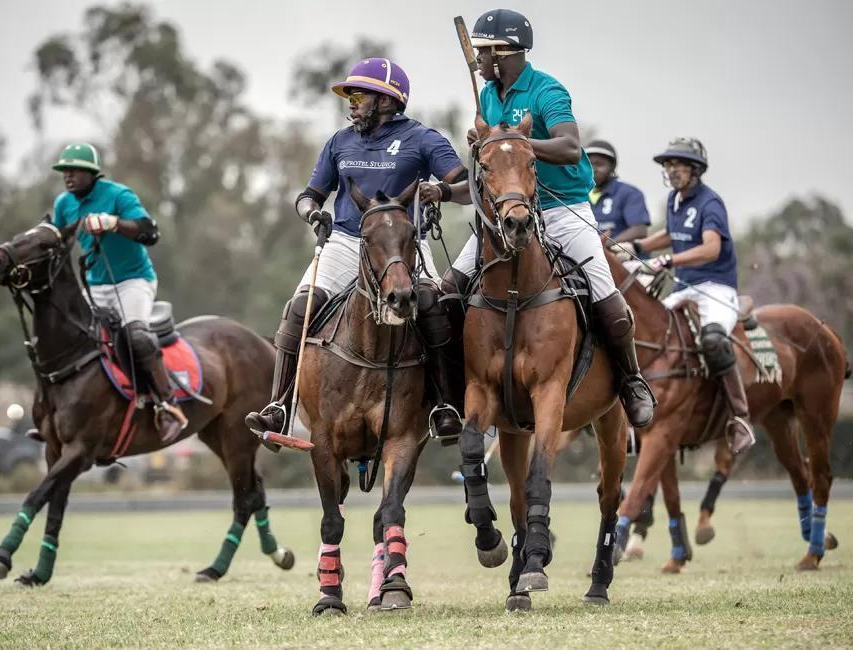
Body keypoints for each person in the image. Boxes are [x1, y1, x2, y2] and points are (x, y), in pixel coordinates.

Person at [244, 58, 471, 443]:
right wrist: (312, 213)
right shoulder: (340, 142)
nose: (351, 102)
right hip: (348, 241)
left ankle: (444, 405)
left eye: (359, 94)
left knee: (433, 304)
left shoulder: (423, 139)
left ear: (387, 100)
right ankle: (280, 406)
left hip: (402, 245)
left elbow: (469, 188)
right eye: (350, 95)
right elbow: (309, 195)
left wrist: (441, 190)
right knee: (299, 307)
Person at [448, 8, 655, 428]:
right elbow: (493, 161)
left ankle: (631, 381)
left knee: (609, 302)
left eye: (484, 53)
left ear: (503, 53)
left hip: (564, 210)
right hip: (505, 215)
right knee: (447, 292)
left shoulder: (547, 90)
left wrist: (515, 141)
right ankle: (452, 389)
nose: (479, 61)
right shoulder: (488, 96)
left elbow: (570, 147)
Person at [618, 137, 754, 454]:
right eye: (668, 165)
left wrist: (669, 260)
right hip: (684, 287)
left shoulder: (710, 203)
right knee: (639, 330)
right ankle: (637, 416)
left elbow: (711, 248)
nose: (671, 170)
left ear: (695, 169)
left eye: (678, 164)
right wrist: (636, 247)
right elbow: (671, 234)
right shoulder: (674, 199)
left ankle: (741, 418)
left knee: (713, 340)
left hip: (715, 287)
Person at [51, 143, 187, 443]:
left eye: (75, 170)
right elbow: (55, 242)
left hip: (133, 281)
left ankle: (168, 406)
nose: (68, 176)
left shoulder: (119, 195)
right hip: (94, 286)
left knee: (136, 336)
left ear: (92, 173)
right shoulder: (63, 204)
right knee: (68, 338)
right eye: (64, 171)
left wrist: (113, 223)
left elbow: (149, 232)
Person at [585, 140, 650, 244]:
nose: (593, 169)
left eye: (599, 164)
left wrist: (606, 245)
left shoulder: (629, 193)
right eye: (589, 164)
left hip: (619, 252)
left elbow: (640, 230)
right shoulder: (578, 195)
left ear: (612, 167)